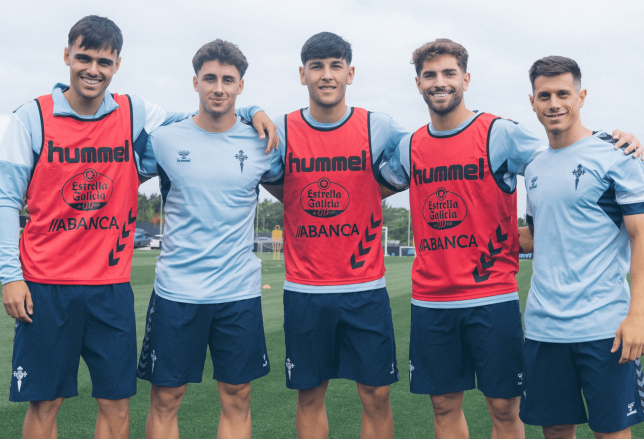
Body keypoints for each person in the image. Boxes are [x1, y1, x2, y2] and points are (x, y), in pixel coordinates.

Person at [0, 16, 275, 439]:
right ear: (66, 56)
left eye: (103, 61)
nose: (92, 69)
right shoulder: (31, 118)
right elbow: (5, 202)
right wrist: (10, 276)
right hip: (46, 284)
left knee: (117, 405)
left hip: (111, 288)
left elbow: (206, 114)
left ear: (117, 64)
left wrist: (252, 110)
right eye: (84, 57)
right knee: (45, 403)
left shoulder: (134, 112)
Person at [379, 39, 642, 439]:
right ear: (418, 83)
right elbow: (365, 187)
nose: (440, 82)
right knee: (446, 404)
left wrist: (622, 143)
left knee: (505, 407)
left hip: (495, 297)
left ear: (465, 78)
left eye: (449, 73)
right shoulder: (410, 144)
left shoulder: (505, 135)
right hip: (435, 299)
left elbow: (569, 154)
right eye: (430, 75)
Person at [261, 32, 410, 439]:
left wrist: (372, 192)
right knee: (309, 395)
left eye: (335, 66)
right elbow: (269, 177)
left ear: (350, 73)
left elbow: (425, 151)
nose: (326, 75)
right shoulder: (283, 128)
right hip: (306, 289)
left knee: (377, 394)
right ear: (302, 74)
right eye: (317, 67)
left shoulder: (377, 125)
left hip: (366, 288)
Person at [136, 39, 282, 439]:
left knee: (237, 396)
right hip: (177, 291)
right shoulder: (165, 140)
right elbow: (120, 180)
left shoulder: (263, 142)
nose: (219, 87)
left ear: (240, 86)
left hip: (238, 291)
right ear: (195, 82)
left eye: (228, 80)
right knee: (166, 398)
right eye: (210, 79)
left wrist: (255, 114)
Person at [519, 55, 644, 439]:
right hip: (543, 328)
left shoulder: (617, 155)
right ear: (532, 101)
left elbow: (641, 235)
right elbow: (539, 238)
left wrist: (637, 315)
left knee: (611, 431)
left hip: (605, 327)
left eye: (562, 93)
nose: (553, 103)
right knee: (555, 429)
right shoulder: (535, 167)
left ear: (581, 95)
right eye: (544, 95)